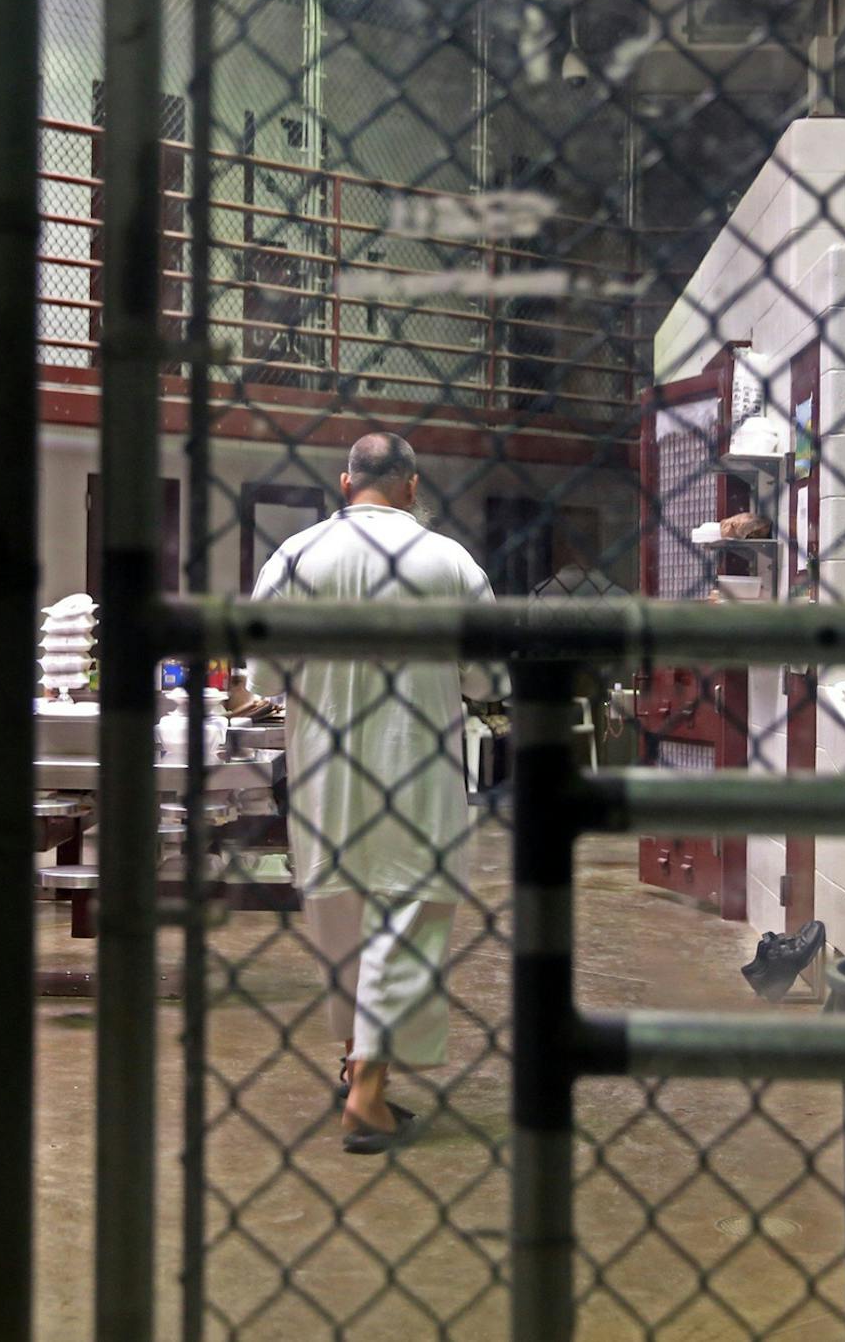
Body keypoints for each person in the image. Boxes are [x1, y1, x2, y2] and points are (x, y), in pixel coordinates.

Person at [250, 432, 502, 1153]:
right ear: (412, 486)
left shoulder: (296, 556)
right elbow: (488, 680)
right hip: (415, 772)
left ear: (344, 481)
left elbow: (263, 677)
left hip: (326, 776)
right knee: (408, 920)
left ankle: (358, 1058)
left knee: (344, 922)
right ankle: (366, 1091)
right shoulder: (449, 562)